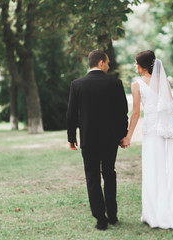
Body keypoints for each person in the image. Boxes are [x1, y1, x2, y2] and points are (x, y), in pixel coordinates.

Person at [121, 50, 173, 229]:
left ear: (143, 65)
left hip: (153, 134)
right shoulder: (163, 82)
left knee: (155, 170)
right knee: (171, 170)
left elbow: (136, 113)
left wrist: (128, 136)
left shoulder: (136, 85)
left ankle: (158, 214)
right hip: (168, 132)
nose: (134, 66)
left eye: (136, 63)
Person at [67, 50, 128, 230]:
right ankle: (113, 215)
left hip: (88, 139)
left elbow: (71, 115)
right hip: (110, 139)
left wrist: (72, 137)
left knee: (92, 178)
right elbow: (122, 112)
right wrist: (122, 134)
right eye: (107, 63)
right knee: (109, 174)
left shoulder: (77, 84)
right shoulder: (115, 83)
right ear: (101, 63)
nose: (109, 66)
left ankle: (101, 219)